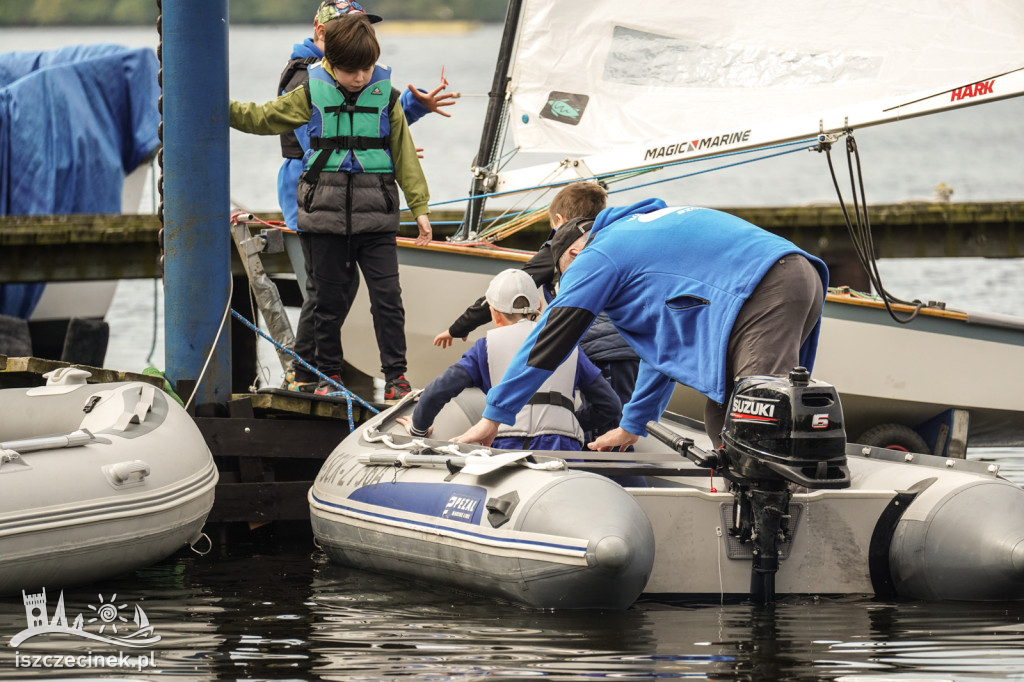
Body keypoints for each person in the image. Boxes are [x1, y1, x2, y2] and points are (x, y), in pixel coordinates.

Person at [452, 198, 829, 451]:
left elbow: (550, 338)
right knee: (725, 412)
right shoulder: (637, 235)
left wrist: (495, 416)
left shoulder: (599, 254)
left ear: (573, 254)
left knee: (756, 419)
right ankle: (739, 507)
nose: (569, 287)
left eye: (565, 277)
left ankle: (772, 532)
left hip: (764, 287)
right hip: (794, 276)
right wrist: (633, 425)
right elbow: (663, 351)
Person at [230, 13, 431, 400]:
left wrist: (419, 208)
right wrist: (221, 108)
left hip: (378, 220)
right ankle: (329, 375)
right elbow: (261, 117)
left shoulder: (386, 98)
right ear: (330, 64)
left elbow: (405, 155)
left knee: (388, 300)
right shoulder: (308, 93)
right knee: (326, 301)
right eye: (351, 71)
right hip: (323, 219)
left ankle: (396, 379)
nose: (360, 78)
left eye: (367, 68)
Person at [280, 0, 455, 395]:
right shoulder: (302, 79)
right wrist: (366, 152)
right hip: (314, 201)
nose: (357, 36)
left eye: (363, 28)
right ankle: (307, 372)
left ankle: (361, 375)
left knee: (353, 295)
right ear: (322, 32)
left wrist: (410, 111)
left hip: (364, 205)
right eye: (346, 28)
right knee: (327, 294)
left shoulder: (365, 78)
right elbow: (319, 138)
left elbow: (377, 122)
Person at [432, 181, 640, 440]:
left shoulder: (564, 246)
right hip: (630, 346)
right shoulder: (614, 241)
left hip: (599, 348)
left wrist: (457, 328)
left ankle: (598, 465)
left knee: (607, 426)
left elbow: (508, 289)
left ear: (560, 220)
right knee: (615, 416)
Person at [397, 269, 620, 451]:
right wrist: (571, 422)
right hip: (562, 445)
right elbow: (609, 405)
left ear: (494, 313)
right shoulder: (569, 346)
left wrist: (419, 428)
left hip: (507, 441)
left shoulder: (485, 347)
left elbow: (439, 390)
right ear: (540, 307)